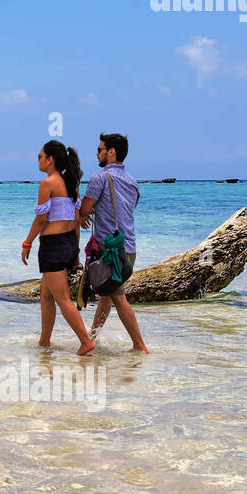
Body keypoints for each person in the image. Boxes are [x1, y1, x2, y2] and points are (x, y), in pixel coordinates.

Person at [78, 132, 150, 353]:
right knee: (106, 297)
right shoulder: (133, 182)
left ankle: (140, 346)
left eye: (99, 150)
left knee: (118, 298)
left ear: (111, 152)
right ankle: (93, 338)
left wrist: (81, 214)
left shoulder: (100, 178)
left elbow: (86, 209)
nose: (96, 154)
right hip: (129, 247)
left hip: (111, 252)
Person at [21, 140, 94, 355]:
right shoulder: (71, 184)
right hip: (70, 243)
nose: (38, 159)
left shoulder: (48, 183)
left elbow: (41, 220)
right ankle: (44, 342)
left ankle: (86, 341)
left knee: (62, 299)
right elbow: (77, 218)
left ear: (50, 159)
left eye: (40, 156)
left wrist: (27, 242)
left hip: (53, 247)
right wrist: (76, 252)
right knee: (46, 295)